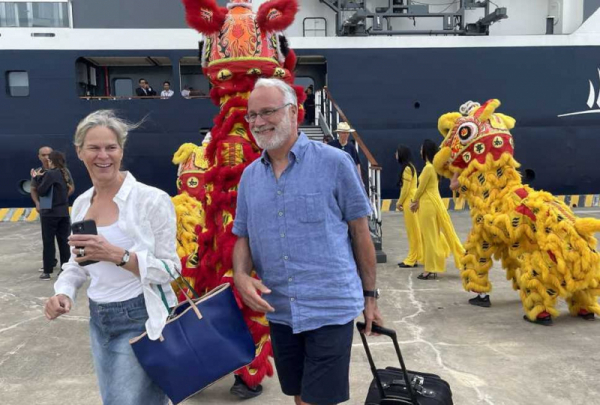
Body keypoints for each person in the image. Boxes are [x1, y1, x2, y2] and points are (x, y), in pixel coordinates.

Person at [232, 78, 383, 405]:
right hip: (280, 309)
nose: (258, 122)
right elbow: (242, 234)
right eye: (252, 115)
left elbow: (360, 232)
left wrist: (370, 296)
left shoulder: (335, 163)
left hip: (329, 308)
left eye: (267, 112)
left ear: (293, 112)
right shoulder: (249, 178)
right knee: (300, 396)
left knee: (318, 401)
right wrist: (241, 275)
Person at [44, 110, 178, 405]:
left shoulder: (151, 200)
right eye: (94, 147)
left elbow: (170, 269)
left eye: (111, 147)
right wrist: (64, 292)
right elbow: (75, 263)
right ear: (79, 152)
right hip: (99, 319)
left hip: (140, 316)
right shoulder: (81, 203)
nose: (103, 155)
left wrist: (117, 255)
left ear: (121, 150)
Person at [410, 139, 463, 280]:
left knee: (429, 237)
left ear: (425, 151)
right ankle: (435, 264)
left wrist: (413, 201)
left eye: (421, 149)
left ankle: (430, 268)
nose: (420, 151)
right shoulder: (434, 168)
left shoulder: (428, 168)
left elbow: (421, 188)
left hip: (428, 205)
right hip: (433, 202)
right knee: (433, 235)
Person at [31, 146, 75, 273]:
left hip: (50, 211)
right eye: (43, 155)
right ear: (39, 156)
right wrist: (37, 203)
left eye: (48, 155)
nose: (46, 158)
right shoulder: (61, 171)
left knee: (49, 240)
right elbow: (33, 190)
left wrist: (56, 197)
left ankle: (48, 269)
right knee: (64, 240)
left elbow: (40, 189)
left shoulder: (49, 172)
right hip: (61, 210)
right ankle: (64, 267)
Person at [395, 145, 423, 269]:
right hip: (413, 200)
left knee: (412, 232)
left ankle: (411, 259)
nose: (395, 155)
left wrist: (399, 202)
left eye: (396, 153)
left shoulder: (406, 169)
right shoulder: (411, 167)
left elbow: (405, 189)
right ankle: (415, 257)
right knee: (415, 231)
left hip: (408, 202)